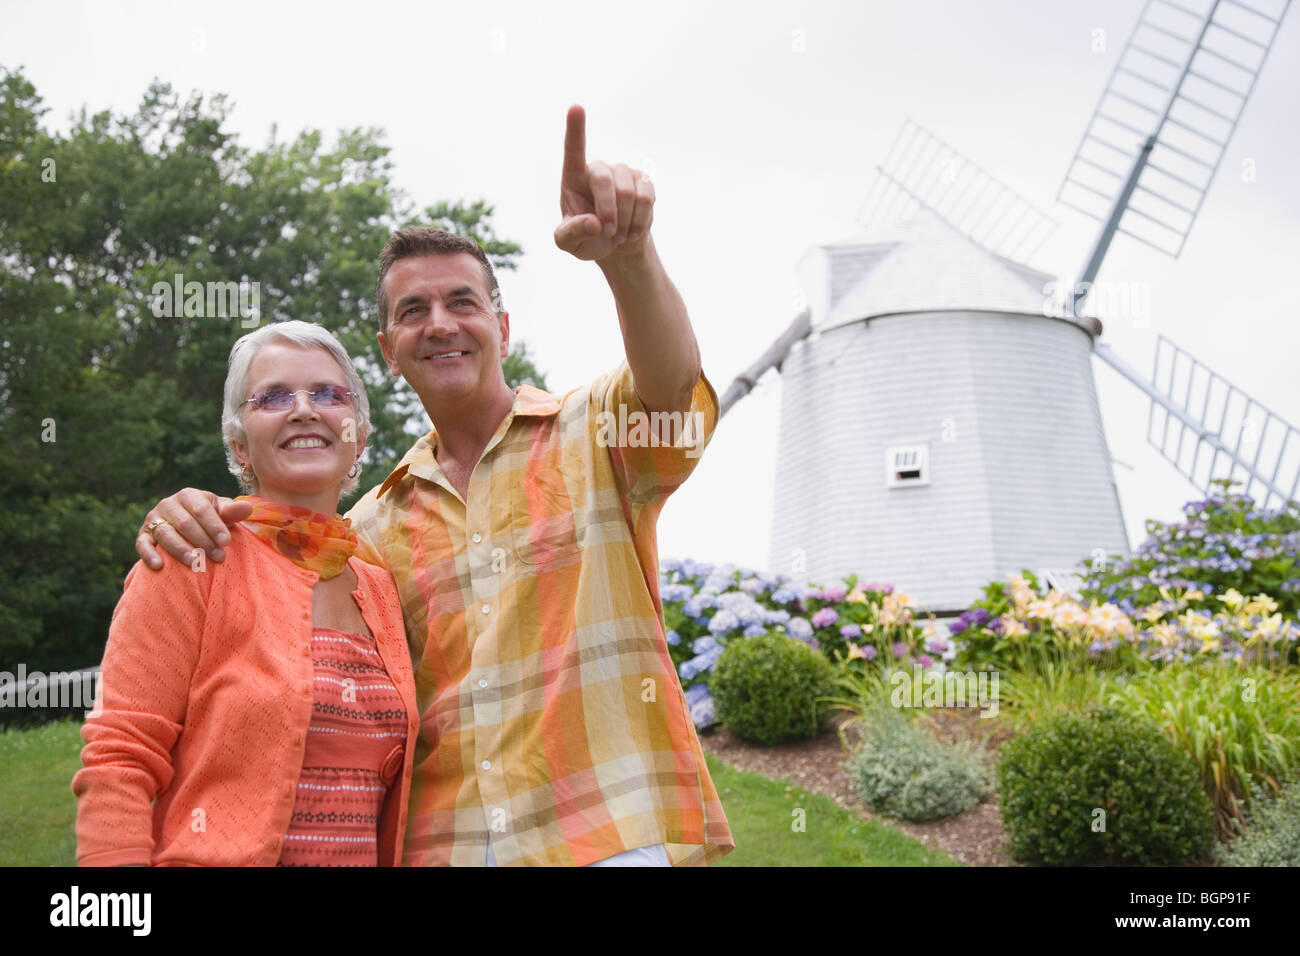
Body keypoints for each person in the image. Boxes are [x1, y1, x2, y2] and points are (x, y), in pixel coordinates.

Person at [135, 106, 735, 866]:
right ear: (389, 352)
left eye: (462, 302)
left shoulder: (594, 436)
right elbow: (270, 579)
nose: (440, 323)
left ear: (503, 327)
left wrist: (630, 259)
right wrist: (185, 509)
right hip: (444, 848)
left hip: (604, 832)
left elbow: (671, 391)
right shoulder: (369, 528)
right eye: (413, 311)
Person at [75, 321, 418, 866]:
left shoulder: (377, 585)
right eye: (274, 397)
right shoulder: (194, 557)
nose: (304, 409)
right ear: (239, 443)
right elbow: (120, 757)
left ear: (359, 435)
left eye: (329, 394)